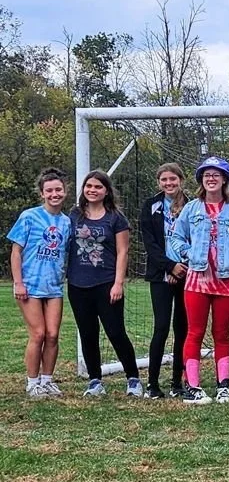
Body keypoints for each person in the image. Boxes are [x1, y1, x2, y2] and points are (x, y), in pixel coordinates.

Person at [168, 157, 229, 405]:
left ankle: (223, 386)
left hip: (227, 280)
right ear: (201, 180)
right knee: (194, 332)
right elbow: (176, 237)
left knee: (222, 334)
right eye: (206, 174)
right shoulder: (191, 209)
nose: (211, 178)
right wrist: (189, 253)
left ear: (225, 180)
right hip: (196, 280)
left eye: (216, 174)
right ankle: (193, 386)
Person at [67, 170, 142, 397]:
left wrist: (118, 283)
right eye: (89, 186)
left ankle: (133, 379)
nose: (92, 190)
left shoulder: (116, 218)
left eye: (97, 187)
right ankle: (95, 381)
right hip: (78, 285)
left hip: (106, 283)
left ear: (106, 191)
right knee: (88, 333)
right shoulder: (74, 214)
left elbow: (122, 251)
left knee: (115, 332)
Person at [7, 167, 71, 398]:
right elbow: (16, 252)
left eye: (58, 190)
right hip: (30, 284)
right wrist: (18, 282)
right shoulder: (29, 216)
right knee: (39, 333)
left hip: (53, 286)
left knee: (53, 334)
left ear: (65, 191)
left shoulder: (66, 222)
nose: (54, 194)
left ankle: (47, 380)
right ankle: (32, 382)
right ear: (42, 193)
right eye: (49, 190)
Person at [141, 162, 189, 398]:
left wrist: (182, 268)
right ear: (158, 182)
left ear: (181, 180)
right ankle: (152, 384)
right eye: (164, 180)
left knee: (183, 329)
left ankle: (177, 383)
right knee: (161, 328)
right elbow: (150, 244)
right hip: (160, 275)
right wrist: (169, 267)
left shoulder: (193, 205)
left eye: (173, 179)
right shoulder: (150, 206)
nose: (169, 183)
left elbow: (198, 240)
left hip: (187, 274)